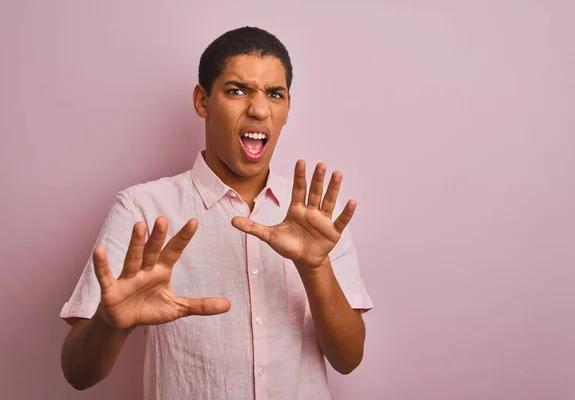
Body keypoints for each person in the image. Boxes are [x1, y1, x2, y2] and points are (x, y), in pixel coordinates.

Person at [60, 26, 373, 400]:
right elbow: (77, 373)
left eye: (275, 94)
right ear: (202, 101)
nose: (259, 109)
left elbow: (348, 359)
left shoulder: (318, 217)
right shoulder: (142, 209)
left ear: (287, 108)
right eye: (237, 90)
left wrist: (316, 267)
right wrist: (110, 324)